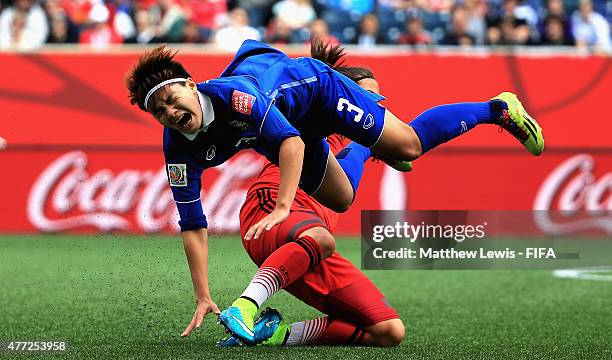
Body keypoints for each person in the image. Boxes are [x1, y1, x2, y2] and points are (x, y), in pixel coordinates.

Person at [124, 37, 544, 342]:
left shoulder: (237, 99)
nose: (170, 113)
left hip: (319, 91)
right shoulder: (177, 147)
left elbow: (289, 144)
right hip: (292, 126)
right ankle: (371, 146)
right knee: (342, 198)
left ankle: (498, 108)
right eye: (159, 112)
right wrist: (202, 294)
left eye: (172, 99)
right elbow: (193, 222)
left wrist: (283, 206)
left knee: (409, 144)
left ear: (192, 84)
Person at [214, 40, 404, 347]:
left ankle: (273, 336)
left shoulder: (362, 134)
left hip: (310, 243)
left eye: (378, 98)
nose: (377, 105)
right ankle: (244, 307)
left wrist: (379, 147)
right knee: (320, 238)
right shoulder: (317, 118)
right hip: (273, 206)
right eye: (368, 96)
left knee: (388, 331)